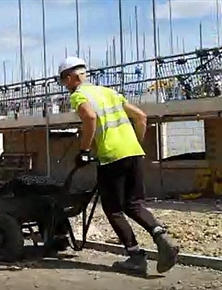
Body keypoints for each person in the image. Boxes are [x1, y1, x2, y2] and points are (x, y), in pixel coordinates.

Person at [58, 57, 179, 274]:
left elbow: (90, 117)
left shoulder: (79, 95)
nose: (65, 87)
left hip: (111, 157)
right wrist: (134, 145)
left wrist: (84, 151)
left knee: (113, 209)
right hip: (133, 152)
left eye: (64, 82)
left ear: (70, 77)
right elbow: (141, 117)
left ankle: (135, 257)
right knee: (134, 205)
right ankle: (161, 236)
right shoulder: (108, 92)